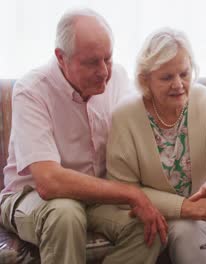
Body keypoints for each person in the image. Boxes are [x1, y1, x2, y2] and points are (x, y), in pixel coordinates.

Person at [0, 8, 168, 264]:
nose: (104, 72)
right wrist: (132, 194)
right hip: (30, 196)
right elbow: (49, 182)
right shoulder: (31, 90)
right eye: (91, 62)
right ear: (60, 57)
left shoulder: (119, 79)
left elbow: (140, 143)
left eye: (108, 59)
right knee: (65, 214)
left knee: (150, 228)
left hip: (96, 198)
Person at [106, 27, 206, 264]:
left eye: (184, 73)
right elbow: (123, 190)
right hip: (171, 211)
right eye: (167, 77)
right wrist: (183, 207)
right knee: (187, 232)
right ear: (145, 79)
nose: (178, 84)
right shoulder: (125, 116)